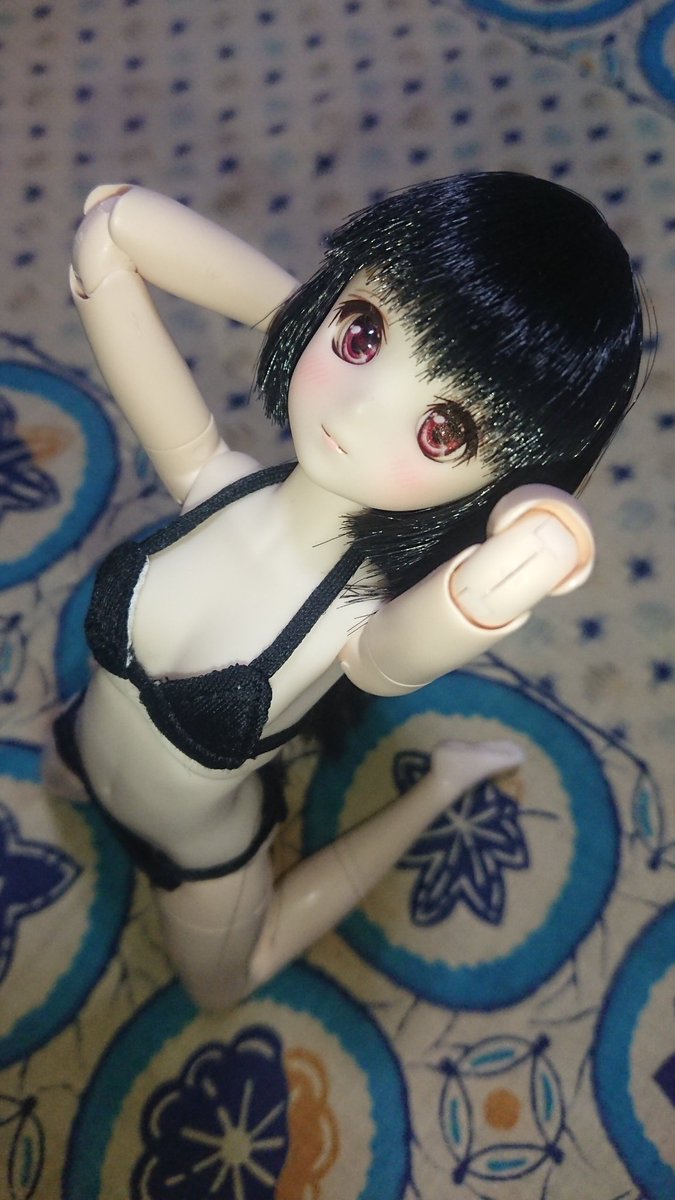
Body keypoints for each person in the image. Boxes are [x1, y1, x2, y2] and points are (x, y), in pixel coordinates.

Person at [51, 173, 642, 1009]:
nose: (357, 411)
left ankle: (439, 787)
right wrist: (298, 313)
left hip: (201, 855)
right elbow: (116, 241)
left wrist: (509, 569)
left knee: (222, 987)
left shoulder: (356, 624)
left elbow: (417, 640)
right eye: (363, 335)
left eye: (442, 429)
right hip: (77, 747)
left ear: (500, 477)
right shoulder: (212, 480)